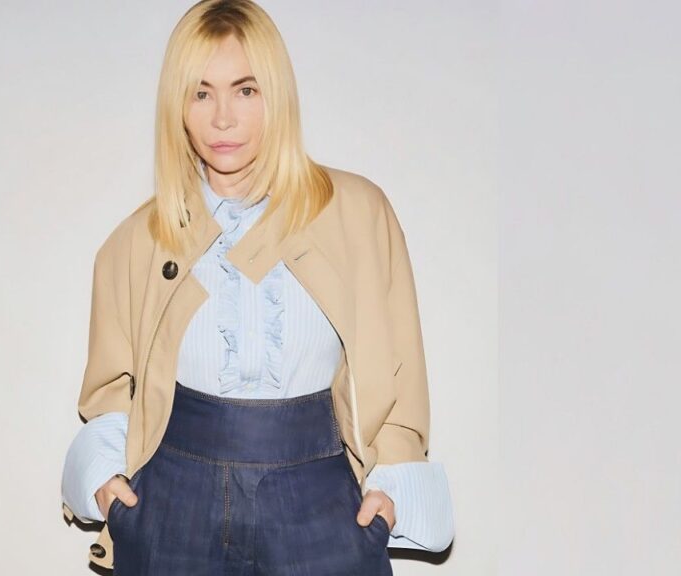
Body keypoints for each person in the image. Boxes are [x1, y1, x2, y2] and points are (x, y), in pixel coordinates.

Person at [61, 1, 454, 573]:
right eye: (201, 93)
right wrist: (105, 479)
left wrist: (390, 488)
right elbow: (108, 391)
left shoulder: (358, 214)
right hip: (173, 496)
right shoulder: (138, 241)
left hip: (320, 491)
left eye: (245, 90)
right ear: (178, 107)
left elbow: (401, 375)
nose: (223, 118)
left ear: (278, 95)